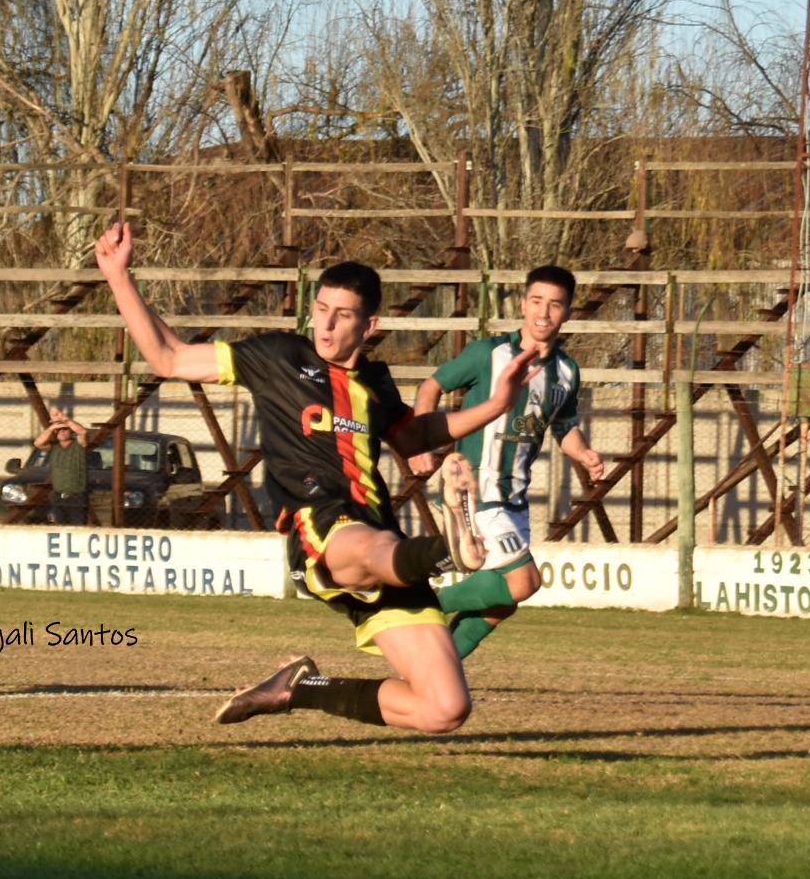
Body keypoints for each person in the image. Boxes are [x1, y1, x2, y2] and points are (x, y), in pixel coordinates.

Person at [95, 221, 538, 735]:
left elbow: (416, 437)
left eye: (342, 315)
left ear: (369, 326)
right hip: (321, 524)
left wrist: (497, 404)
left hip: (381, 533)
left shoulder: (374, 383)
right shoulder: (279, 356)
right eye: (321, 308)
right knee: (374, 549)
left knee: (444, 709)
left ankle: (301, 687)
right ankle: (449, 552)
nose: (325, 325)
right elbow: (168, 357)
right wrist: (118, 276)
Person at [410, 265, 605, 658]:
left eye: (555, 305)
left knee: (500, 605)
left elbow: (564, 426)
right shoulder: (489, 353)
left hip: (514, 496)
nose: (543, 312)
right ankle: (416, 605)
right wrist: (420, 441)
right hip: (475, 486)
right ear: (523, 304)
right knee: (522, 582)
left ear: (567, 312)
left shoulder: (567, 371)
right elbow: (431, 386)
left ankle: (433, 670)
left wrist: (583, 452)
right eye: (536, 301)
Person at [32, 409, 89, 525]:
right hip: (58, 495)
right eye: (58, 431)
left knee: (77, 527)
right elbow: (38, 443)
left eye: (64, 429)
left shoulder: (78, 446)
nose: (61, 432)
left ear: (70, 431)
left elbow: (82, 432)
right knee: (60, 526)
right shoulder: (54, 448)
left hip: (77, 496)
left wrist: (65, 419)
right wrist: (52, 427)